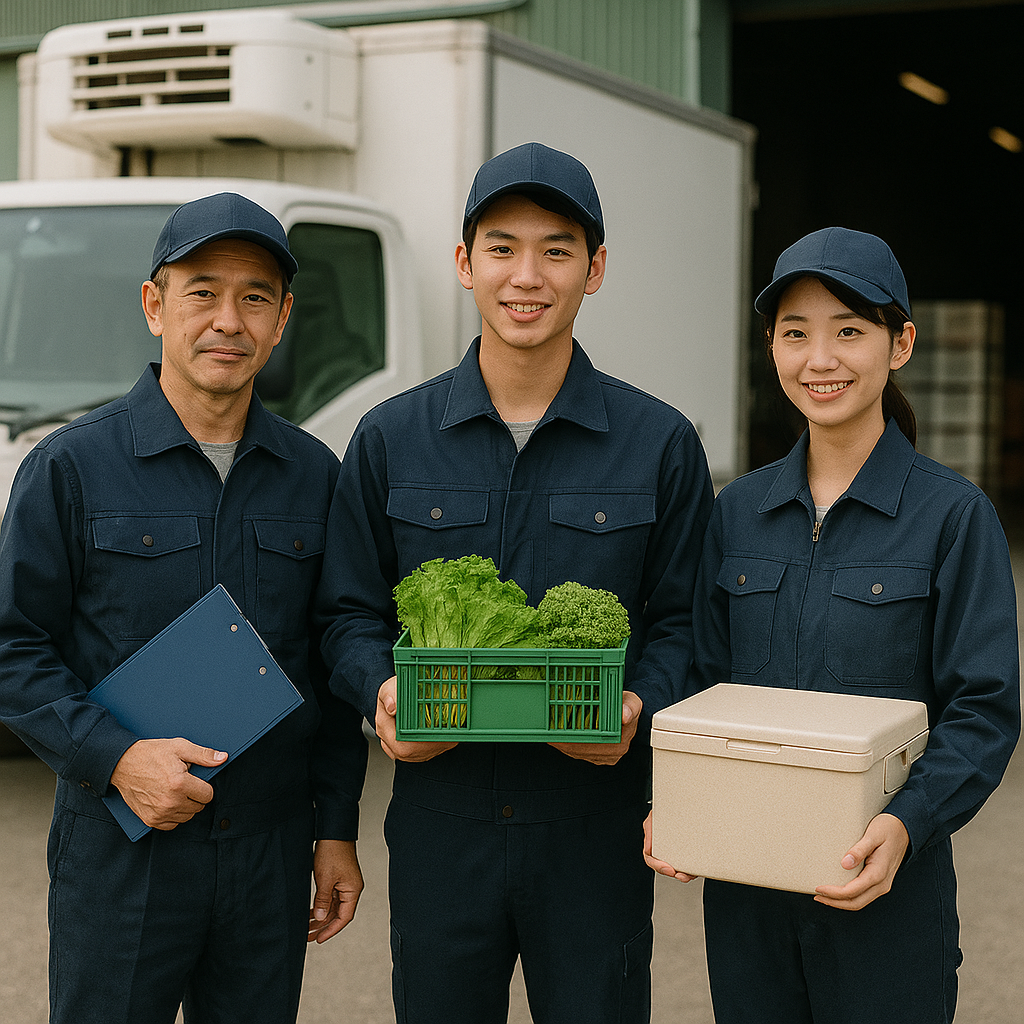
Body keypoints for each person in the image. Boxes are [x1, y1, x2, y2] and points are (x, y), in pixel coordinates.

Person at [317, 142, 714, 1023]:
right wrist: (383, 694)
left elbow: (690, 621)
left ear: (595, 269)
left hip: (592, 822)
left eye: (557, 249)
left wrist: (641, 707)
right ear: (465, 264)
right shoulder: (390, 438)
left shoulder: (659, 443)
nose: (526, 275)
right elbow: (344, 611)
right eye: (501, 247)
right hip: (440, 818)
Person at [0, 192, 368, 1024]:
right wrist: (118, 758)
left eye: (255, 297)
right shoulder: (70, 468)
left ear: (282, 321)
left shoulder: (318, 478)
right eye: (202, 291)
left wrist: (335, 828)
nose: (227, 320)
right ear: (153, 304)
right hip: (120, 846)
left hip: (267, 853)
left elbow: (332, 656)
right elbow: (12, 646)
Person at [645, 226, 1020, 1023]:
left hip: (887, 896)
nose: (821, 359)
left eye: (849, 330)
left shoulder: (954, 517)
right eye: (796, 333)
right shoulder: (738, 511)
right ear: (772, 349)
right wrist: (673, 797)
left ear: (901, 343)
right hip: (747, 899)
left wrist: (908, 822)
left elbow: (983, 708)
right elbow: (702, 684)